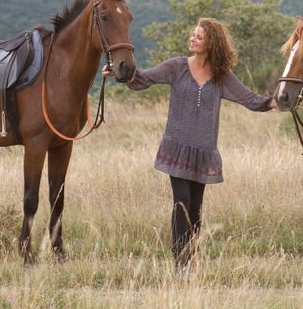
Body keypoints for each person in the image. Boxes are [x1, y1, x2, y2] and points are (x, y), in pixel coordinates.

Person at [104, 18, 275, 275]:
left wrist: (277, 102)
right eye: (192, 34)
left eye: (199, 36)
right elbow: (142, 80)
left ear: (212, 43)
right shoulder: (177, 66)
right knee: (181, 202)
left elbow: (250, 99)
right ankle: (180, 264)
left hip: (203, 152)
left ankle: (191, 258)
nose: (192, 38)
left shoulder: (221, 76)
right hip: (177, 148)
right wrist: (119, 73)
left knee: (195, 209)